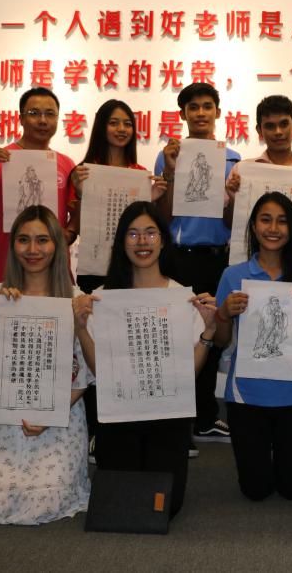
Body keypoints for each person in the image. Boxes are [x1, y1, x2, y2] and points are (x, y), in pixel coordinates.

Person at [77, 201, 217, 518]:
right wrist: (81, 330)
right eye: (133, 233)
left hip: (168, 416)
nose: (142, 241)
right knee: (121, 501)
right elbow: (100, 370)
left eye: (151, 233)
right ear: (121, 242)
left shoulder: (182, 298)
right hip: (119, 415)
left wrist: (208, 331)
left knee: (166, 506)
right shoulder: (103, 297)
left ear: (163, 240)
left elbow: (190, 373)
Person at [0, 205, 94, 526]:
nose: (33, 249)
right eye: (23, 240)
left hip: (61, 415)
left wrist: (49, 415)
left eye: (42, 240)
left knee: (47, 499)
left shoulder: (76, 299)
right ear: (13, 246)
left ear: (57, 245)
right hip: (6, 420)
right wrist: (2, 312)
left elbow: (84, 375)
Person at [213, 192, 292, 501]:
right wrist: (223, 314)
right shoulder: (233, 275)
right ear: (253, 226)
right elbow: (221, 340)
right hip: (247, 395)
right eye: (265, 220)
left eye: (282, 221)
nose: (273, 228)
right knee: (256, 490)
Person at [156, 83, 242, 444]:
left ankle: (205, 417)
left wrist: (233, 196)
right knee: (179, 337)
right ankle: (177, 421)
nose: (201, 113)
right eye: (194, 107)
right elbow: (162, 216)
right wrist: (171, 171)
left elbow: (235, 222)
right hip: (180, 258)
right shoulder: (169, 155)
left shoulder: (234, 159)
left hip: (219, 258)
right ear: (183, 114)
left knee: (214, 336)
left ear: (218, 112)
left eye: (208, 106)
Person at [0, 87, 78, 284]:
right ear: (21, 119)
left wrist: (71, 232)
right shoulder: (0, 160)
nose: (43, 120)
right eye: (34, 113)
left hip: (55, 275)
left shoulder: (66, 164)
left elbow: (76, 212)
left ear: (58, 119)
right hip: (11, 274)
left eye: (50, 114)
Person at [70, 99, 166, 294]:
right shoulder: (83, 172)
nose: (122, 129)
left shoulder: (140, 173)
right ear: (101, 127)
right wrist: (81, 193)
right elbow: (77, 228)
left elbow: (144, 224)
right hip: (95, 267)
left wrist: (151, 198)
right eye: (113, 123)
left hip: (132, 265)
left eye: (127, 124)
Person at [226, 95, 292, 238]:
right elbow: (229, 224)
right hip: (251, 251)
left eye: (284, 124)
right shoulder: (241, 171)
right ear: (259, 130)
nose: (278, 132)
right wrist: (233, 200)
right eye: (270, 126)